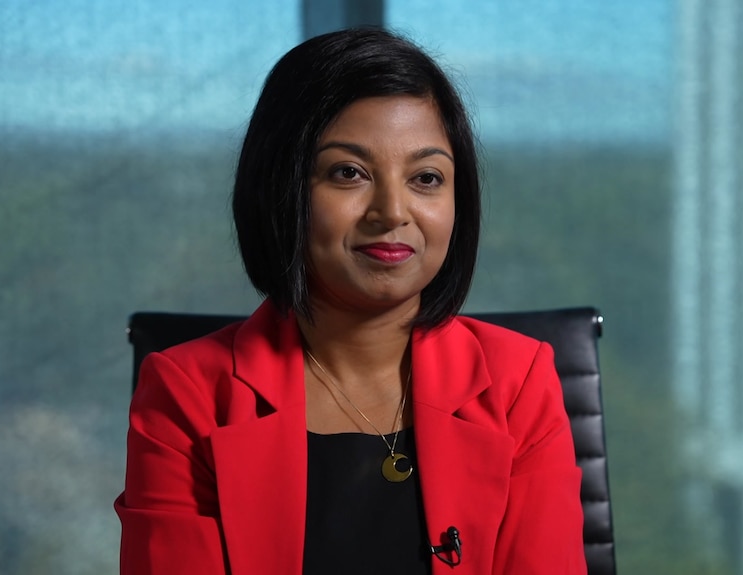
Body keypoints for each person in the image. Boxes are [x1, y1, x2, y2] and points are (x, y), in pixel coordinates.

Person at [115, 28, 585, 574]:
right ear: (282, 188)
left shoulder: (517, 382)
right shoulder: (185, 393)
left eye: (426, 177)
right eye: (348, 173)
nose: (392, 212)